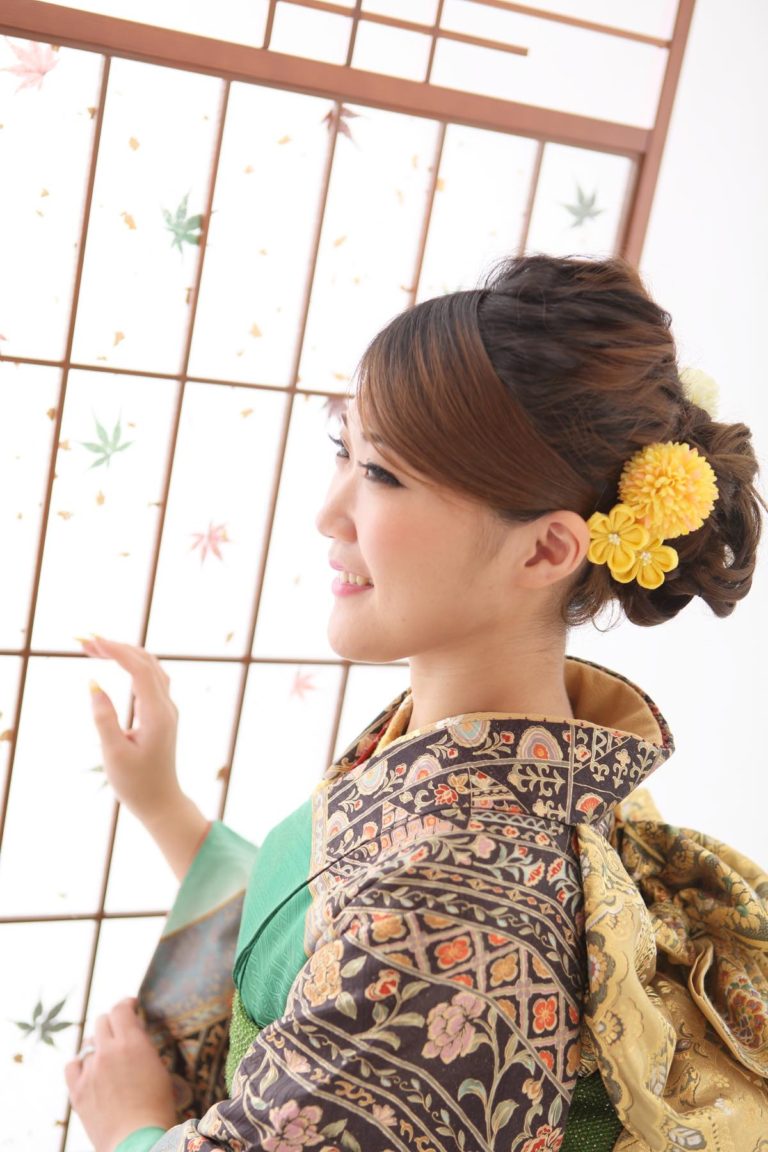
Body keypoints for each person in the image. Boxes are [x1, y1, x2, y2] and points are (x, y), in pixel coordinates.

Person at [65, 255, 768, 1152]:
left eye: (384, 475)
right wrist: (165, 807)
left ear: (546, 551)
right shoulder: (528, 767)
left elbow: (382, 944)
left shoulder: (466, 901)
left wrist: (130, 1128)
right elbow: (325, 937)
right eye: (343, 451)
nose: (331, 512)